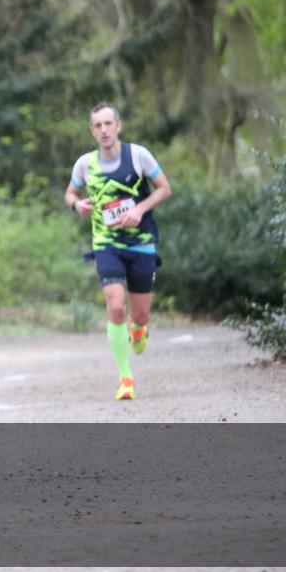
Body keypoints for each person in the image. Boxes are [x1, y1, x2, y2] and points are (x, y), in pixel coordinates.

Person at [64, 103, 172, 400]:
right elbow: (70, 193)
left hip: (141, 244)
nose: (103, 130)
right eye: (97, 125)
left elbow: (164, 188)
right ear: (92, 131)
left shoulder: (138, 156)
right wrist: (78, 204)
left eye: (108, 124)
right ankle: (126, 378)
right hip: (106, 244)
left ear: (118, 126)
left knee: (140, 314)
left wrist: (140, 208)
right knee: (115, 306)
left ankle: (139, 330)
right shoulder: (85, 164)